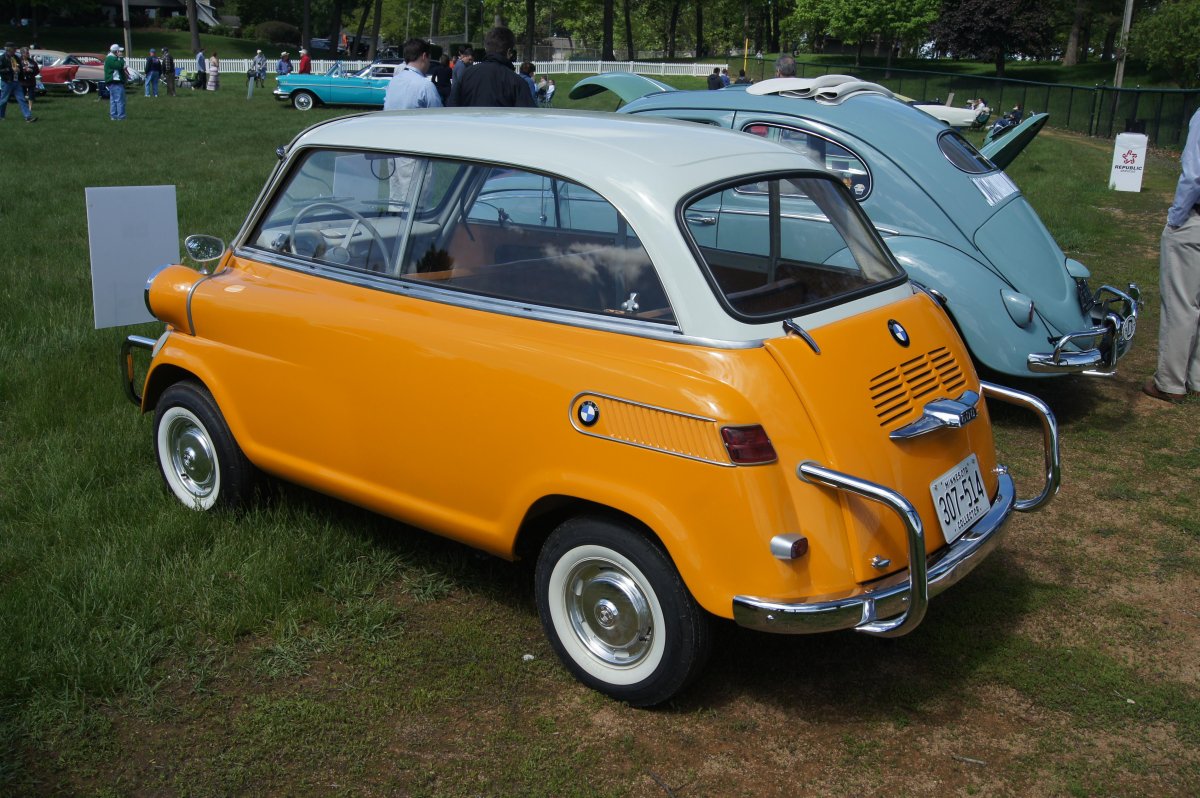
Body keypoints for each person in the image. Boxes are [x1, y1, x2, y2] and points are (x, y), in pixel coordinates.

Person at [1145, 106, 1200, 403]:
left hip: (1195, 221)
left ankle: (1170, 382)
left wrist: (1175, 219)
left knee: (1181, 303)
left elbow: (1194, 175)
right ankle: (1197, 378)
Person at [446, 26, 535, 108]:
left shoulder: (466, 75)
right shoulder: (517, 82)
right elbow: (528, 117)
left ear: (486, 49)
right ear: (509, 52)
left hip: (469, 124)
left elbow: (452, 108)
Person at [382, 38, 442, 110]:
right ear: (424, 56)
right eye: (429, 59)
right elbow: (437, 116)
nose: (429, 63)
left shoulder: (393, 82)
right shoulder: (426, 86)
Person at [0, 41, 35, 122]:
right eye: (13, 49)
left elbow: (20, 67)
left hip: (16, 82)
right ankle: (1, 116)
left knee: (22, 99)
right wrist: (10, 69)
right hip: (7, 82)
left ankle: (28, 117)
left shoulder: (16, 57)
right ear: (8, 50)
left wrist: (21, 73)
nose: (15, 50)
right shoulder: (2, 58)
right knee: (3, 100)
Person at [103, 43, 126, 120]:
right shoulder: (111, 59)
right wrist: (121, 58)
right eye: (119, 51)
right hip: (115, 82)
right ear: (116, 51)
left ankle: (113, 116)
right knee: (119, 100)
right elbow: (120, 66)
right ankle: (121, 117)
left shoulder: (111, 58)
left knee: (113, 100)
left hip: (113, 82)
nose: (121, 52)